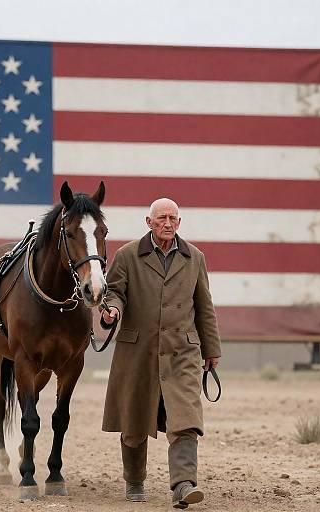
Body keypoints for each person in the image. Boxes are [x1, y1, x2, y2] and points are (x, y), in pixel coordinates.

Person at [100, 198, 221, 509]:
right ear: (148, 222)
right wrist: (112, 308)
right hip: (137, 351)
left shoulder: (194, 257)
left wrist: (212, 349)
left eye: (173, 218)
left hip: (182, 351)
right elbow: (114, 290)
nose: (168, 223)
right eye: (161, 218)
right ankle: (135, 480)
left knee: (185, 418)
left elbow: (204, 306)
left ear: (179, 222)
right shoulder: (128, 255)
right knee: (135, 417)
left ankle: (183, 484)